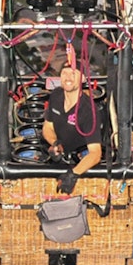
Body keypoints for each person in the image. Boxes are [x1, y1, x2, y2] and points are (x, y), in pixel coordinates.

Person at [43, 60, 107, 192]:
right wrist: (55, 144)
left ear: (82, 78)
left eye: (73, 74)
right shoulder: (56, 95)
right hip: (59, 157)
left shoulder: (88, 110)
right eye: (64, 73)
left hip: (79, 160)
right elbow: (48, 127)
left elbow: (95, 153)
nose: (68, 78)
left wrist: (73, 174)